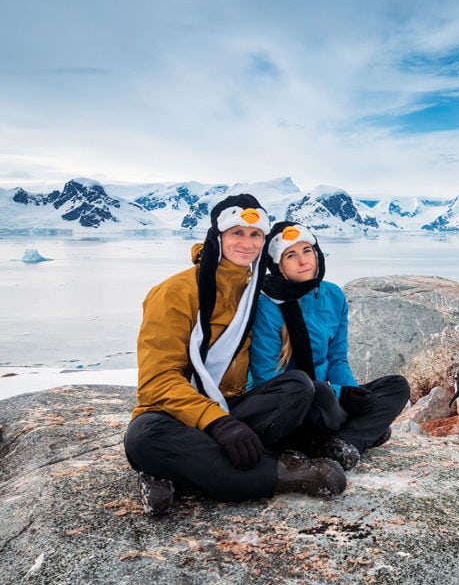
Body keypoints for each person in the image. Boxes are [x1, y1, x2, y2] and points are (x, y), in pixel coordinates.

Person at [124, 194, 347, 516]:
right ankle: (284, 473)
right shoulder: (175, 292)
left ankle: (179, 470)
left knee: (298, 386)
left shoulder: (253, 290)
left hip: (234, 406)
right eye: (237, 233)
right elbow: (157, 381)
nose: (247, 242)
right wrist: (218, 423)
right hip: (173, 412)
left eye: (255, 234)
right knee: (144, 438)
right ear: (218, 236)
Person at [249, 221, 410, 471]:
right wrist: (335, 394)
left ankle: (344, 443)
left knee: (396, 385)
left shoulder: (333, 295)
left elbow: (337, 358)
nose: (303, 261)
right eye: (291, 255)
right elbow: (267, 379)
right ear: (278, 265)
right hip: (294, 402)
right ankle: (357, 434)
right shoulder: (268, 305)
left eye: (307, 251)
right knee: (319, 394)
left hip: (328, 395)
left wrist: (350, 394)